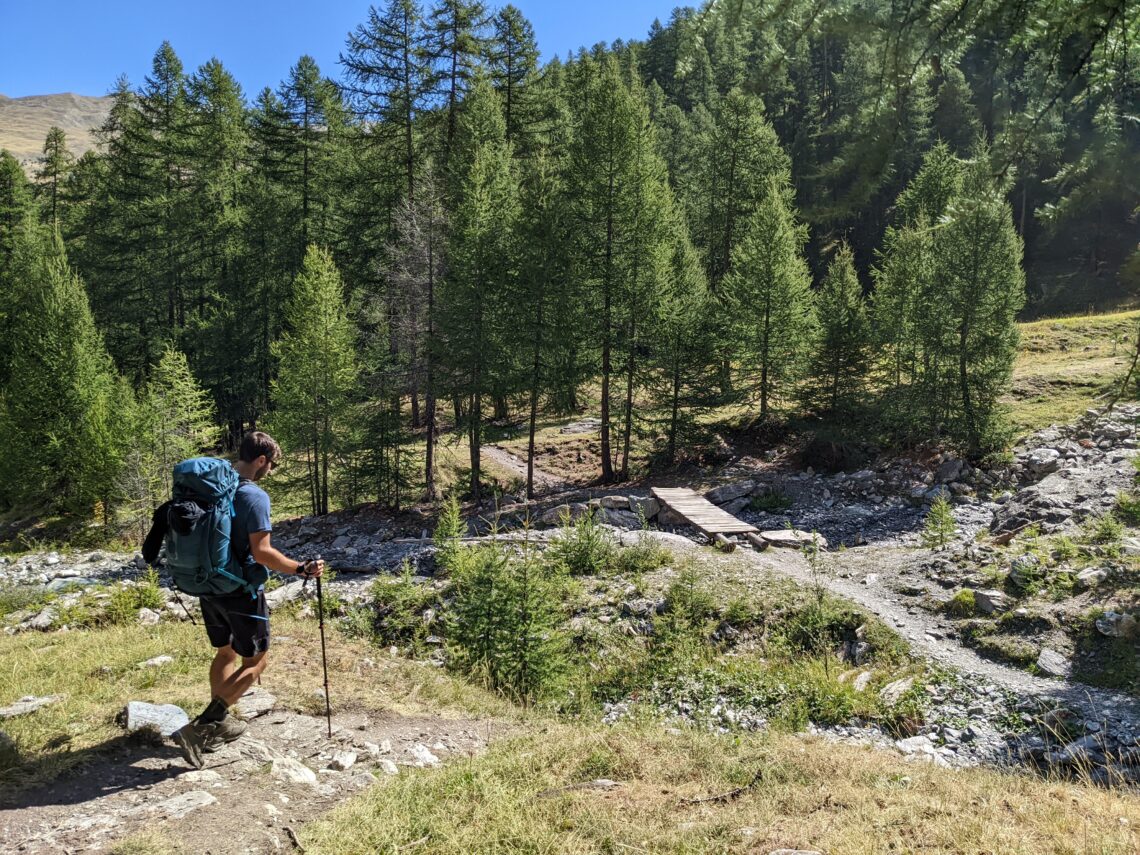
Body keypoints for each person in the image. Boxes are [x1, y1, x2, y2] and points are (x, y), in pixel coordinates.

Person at [171, 431, 324, 769]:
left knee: (225, 650)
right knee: (256, 663)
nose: (271, 469)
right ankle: (204, 725)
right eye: (271, 464)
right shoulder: (254, 496)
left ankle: (217, 722)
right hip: (240, 590)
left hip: (207, 583)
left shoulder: (213, 489)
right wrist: (302, 569)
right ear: (260, 461)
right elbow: (263, 552)